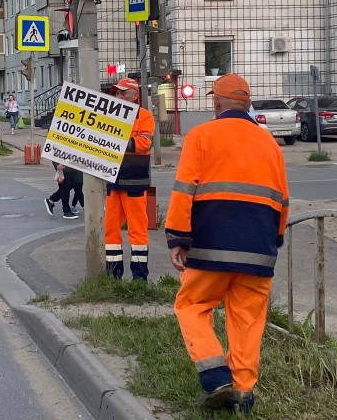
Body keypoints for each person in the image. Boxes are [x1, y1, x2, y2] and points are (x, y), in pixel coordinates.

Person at [164, 73, 289, 414]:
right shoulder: (269, 144)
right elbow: (282, 198)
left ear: (217, 103)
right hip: (259, 248)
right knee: (247, 320)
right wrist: (275, 238)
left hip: (210, 245)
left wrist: (177, 237)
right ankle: (244, 393)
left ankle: (216, 376)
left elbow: (184, 189)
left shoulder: (201, 135)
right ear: (247, 104)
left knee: (192, 306)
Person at [104, 77, 155, 281]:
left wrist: (117, 142)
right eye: (117, 93)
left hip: (135, 181)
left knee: (138, 231)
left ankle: (140, 277)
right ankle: (113, 276)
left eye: (123, 93)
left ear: (135, 95)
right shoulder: (110, 116)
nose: (119, 96)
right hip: (113, 181)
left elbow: (144, 143)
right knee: (110, 230)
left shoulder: (144, 116)